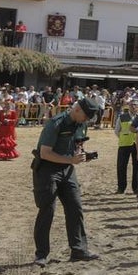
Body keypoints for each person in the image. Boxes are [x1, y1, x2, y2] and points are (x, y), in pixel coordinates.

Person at [32, 99, 101, 266]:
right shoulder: (56, 123)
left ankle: (79, 250)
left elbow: (79, 143)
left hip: (67, 170)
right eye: (86, 116)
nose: (87, 120)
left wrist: (82, 154)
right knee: (47, 210)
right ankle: (41, 254)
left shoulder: (81, 124)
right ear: (77, 110)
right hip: (47, 170)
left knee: (75, 208)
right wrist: (70, 159)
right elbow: (45, 153)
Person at [113, 103, 138, 194]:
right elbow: (117, 131)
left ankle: (136, 187)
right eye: (132, 105)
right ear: (129, 106)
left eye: (136, 105)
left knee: (137, 167)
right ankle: (121, 187)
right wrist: (123, 137)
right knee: (121, 166)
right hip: (124, 144)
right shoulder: (122, 117)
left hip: (137, 144)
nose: (133, 107)